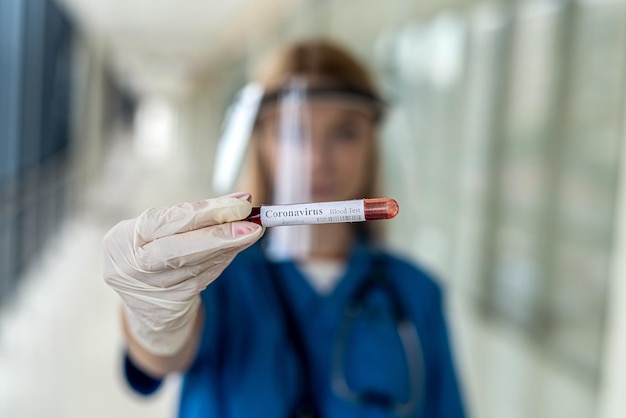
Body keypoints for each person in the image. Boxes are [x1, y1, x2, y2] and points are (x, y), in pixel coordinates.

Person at [103, 38, 466, 418]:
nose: (317, 158)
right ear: (261, 144)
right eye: (294, 132)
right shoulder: (218, 274)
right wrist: (153, 321)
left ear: (371, 145)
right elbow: (160, 359)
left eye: (344, 132)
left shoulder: (417, 293)